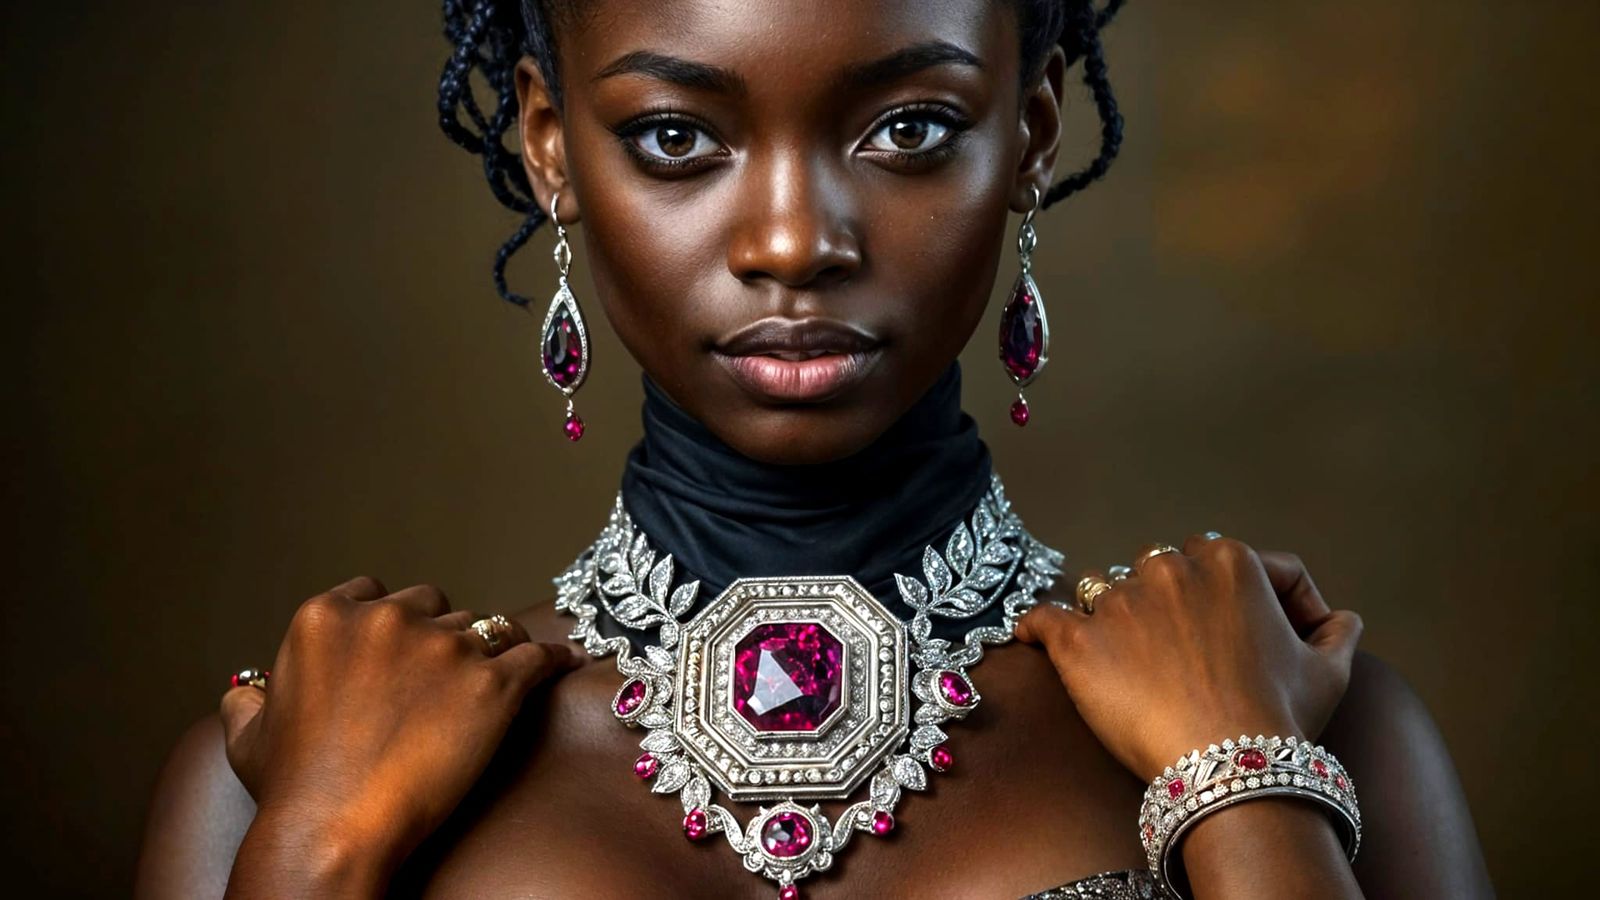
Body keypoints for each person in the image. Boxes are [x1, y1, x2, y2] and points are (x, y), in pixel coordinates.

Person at [134, 1, 1495, 897]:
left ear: (1029, 133)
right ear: (553, 150)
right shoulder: (282, 772)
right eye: (677, 137)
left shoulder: (1317, 727)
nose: (794, 241)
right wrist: (315, 850)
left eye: (908, 129)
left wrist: (1249, 794)